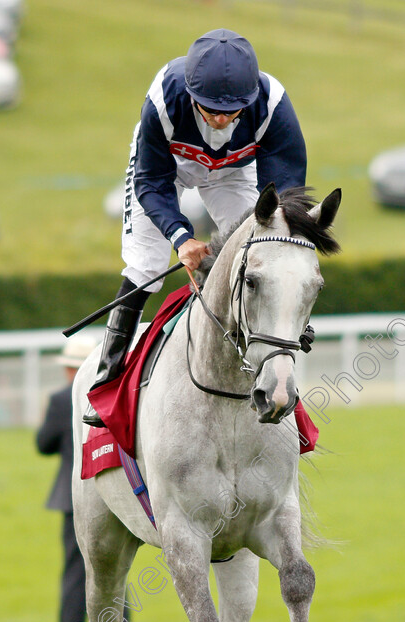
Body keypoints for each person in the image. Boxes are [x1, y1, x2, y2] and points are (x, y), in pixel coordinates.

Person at [83, 28, 307, 426]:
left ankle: (282, 345)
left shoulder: (273, 106)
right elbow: (151, 183)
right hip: (167, 169)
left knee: (266, 246)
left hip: (233, 173)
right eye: (210, 109)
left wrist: (276, 236)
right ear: (191, 94)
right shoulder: (163, 101)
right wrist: (180, 237)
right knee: (146, 267)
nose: (221, 119)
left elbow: (283, 197)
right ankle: (107, 380)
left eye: (232, 110)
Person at [37, 337, 136, 622]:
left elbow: (43, 444)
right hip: (115, 490)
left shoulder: (60, 399)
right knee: (117, 565)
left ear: (70, 369)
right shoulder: (115, 393)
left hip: (73, 495)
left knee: (76, 569)